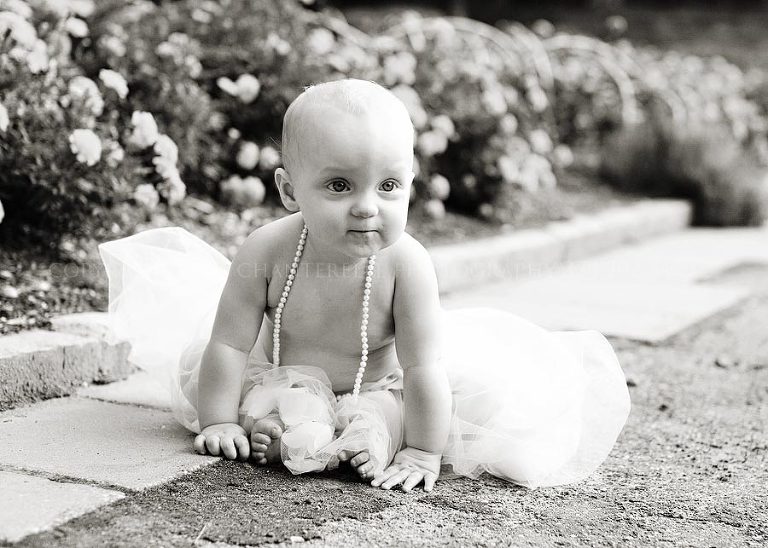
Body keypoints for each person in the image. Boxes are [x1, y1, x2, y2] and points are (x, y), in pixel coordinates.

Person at [99, 79, 630, 493]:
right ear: (289, 190)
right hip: (281, 374)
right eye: (338, 185)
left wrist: (422, 451)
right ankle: (272, 432)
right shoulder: (266, 250)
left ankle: (369, 442)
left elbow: (422, 368)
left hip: (378, 384)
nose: (367, 205)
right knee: (281, 417)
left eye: (389, 185)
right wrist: (218, 422)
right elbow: (229, 343)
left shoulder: (408, 265)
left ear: (411, 185)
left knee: (392, 414)